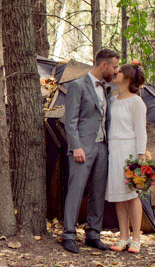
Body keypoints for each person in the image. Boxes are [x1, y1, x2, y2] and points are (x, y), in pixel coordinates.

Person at [62, 48, 120, 254]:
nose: (115, 71)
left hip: (103, 147)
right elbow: (70, 121)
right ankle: (68, 235)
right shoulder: (77, 86)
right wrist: (76, 145)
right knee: (76, 191)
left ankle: (93, 235)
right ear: (103, 65)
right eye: (114, 67)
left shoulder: (107, 88)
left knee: (98, 193)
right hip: (82, 148)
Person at [106, 62, 147, 254]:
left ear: (129, 77)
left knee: (132, 195)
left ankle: (137, 238)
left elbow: (141, 131)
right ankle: (123, 237)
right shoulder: (112, 99)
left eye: (120, 71)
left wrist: (140, 156)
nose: (116, 72)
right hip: (114, 149)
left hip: (129, 149)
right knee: (118, 196)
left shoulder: (136, 102)